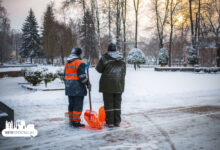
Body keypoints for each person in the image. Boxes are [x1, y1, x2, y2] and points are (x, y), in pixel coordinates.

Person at [96, 43, 126, 128]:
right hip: (119, 84)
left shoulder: (104, 58)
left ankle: (110, 122)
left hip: (107, 85)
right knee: (117, 104)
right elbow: (124, 71)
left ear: (108, 49)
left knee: (108, 104)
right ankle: (117, 121)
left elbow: (98, 69)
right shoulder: (122, 59)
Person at [64, 47, 91, 128]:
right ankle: (76, 122)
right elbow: (82, 77)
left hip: (69, 87)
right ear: (79, 54)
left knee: (71, 104)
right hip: (78, 88)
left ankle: (71, 121)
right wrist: (88, 83)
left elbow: (65, 75)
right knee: (78, 105)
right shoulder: (80, 63)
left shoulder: (67, 63)